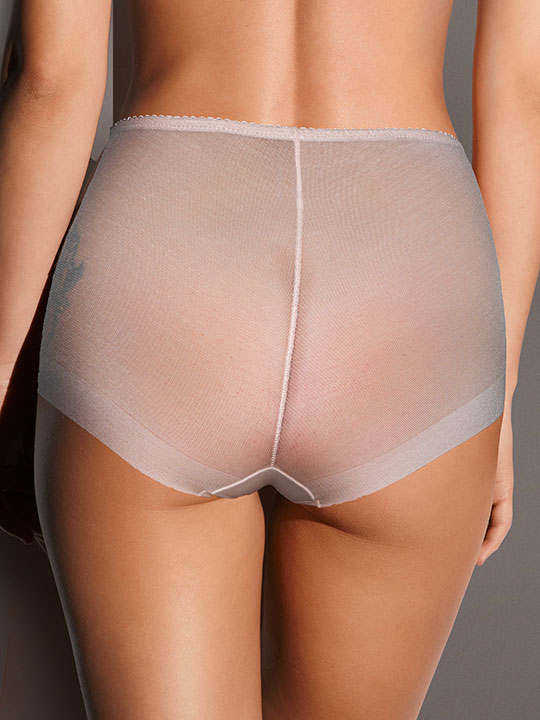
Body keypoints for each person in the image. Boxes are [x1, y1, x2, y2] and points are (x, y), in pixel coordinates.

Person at [1, 0, 538, 718]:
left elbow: (49, 79)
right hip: (413, 279)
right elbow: (522, 92)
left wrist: (4, 377)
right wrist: (497, 395)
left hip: (165, 262)